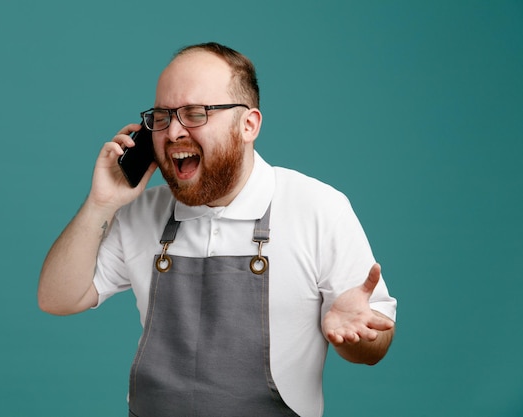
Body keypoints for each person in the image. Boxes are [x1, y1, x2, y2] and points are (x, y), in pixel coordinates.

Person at [38, 42, 397, 417]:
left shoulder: (318, 208)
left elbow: (374, 343)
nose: (174, 131)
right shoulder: (141, 211)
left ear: (248, 125)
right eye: (162, 116)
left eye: (195, 113)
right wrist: (101, 203)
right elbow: (57, 298)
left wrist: (354, 336)